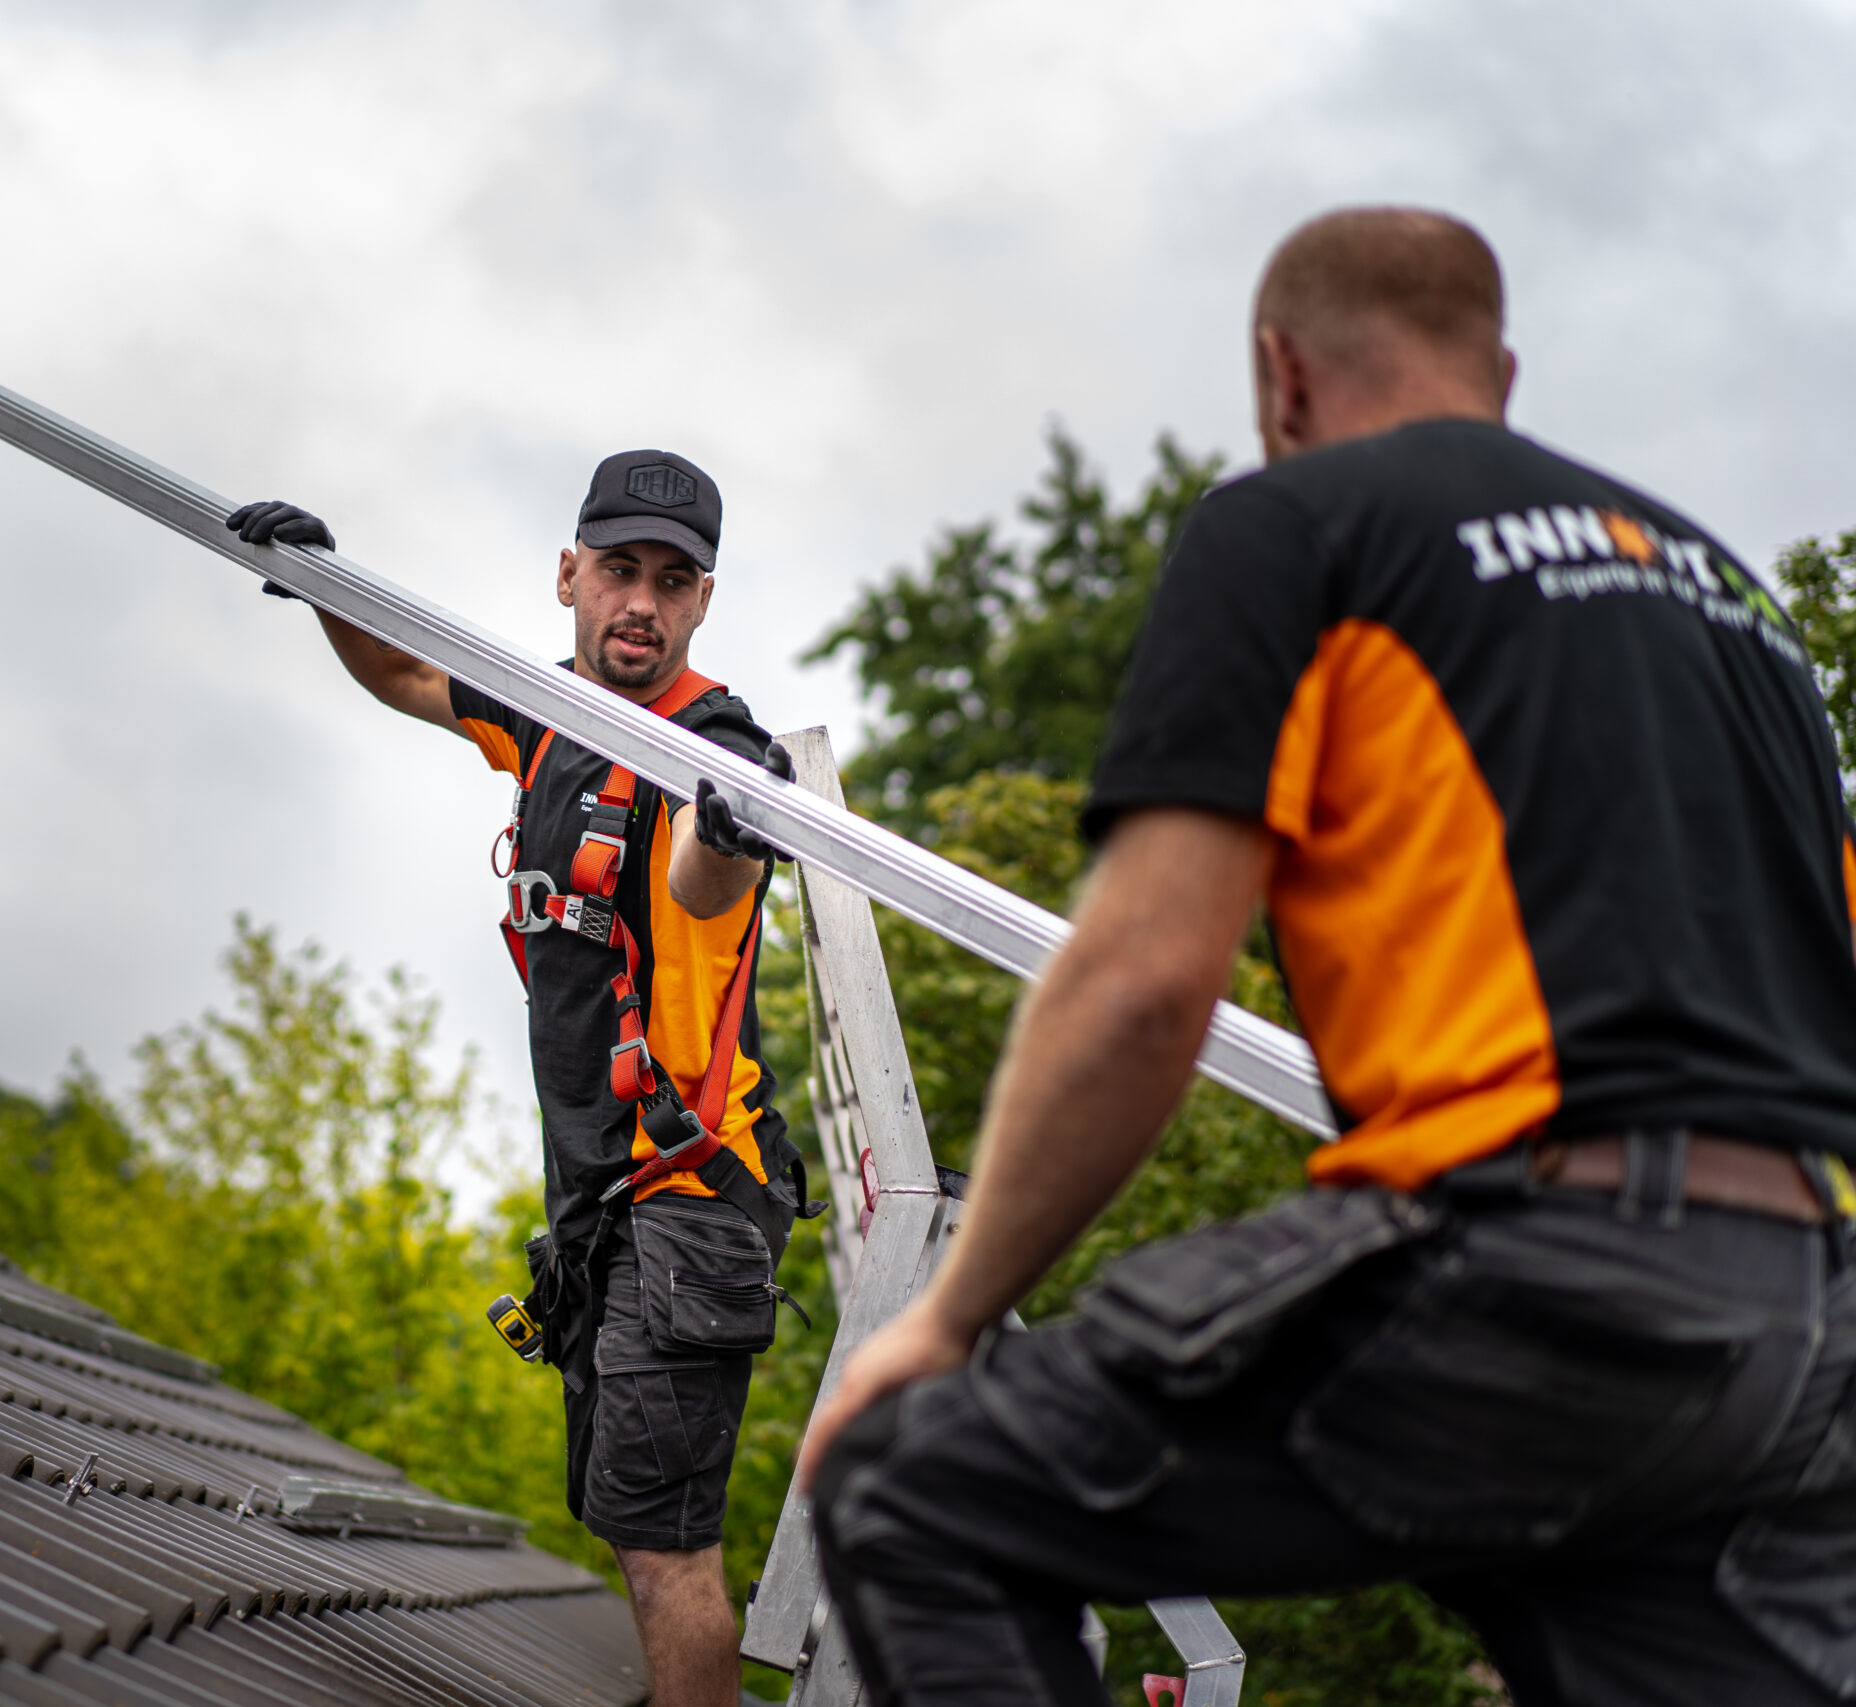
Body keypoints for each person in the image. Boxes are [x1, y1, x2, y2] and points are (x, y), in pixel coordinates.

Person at [798, 206, 1856, 1706]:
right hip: (1805, 1326)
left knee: (918, 1483)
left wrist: (948, 1315)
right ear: (1504, 367)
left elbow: (1143, 981)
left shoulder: (1303, 522)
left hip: (1544, 1271)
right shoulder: (1738, 605)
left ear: (1281, 376)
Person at [227, 452, 814, 1707]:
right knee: (622, 1519)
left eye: (671, 580)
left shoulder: (716, 749)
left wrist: (723, 823)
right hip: (607, 1203)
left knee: (665, 1551)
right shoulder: (550, 717)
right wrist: (320, 582)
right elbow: (405, 672)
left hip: (689, 1194)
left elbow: (701, 888)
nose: (639, 605)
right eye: (618, 572)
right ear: (571, 575)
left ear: (703, 602)